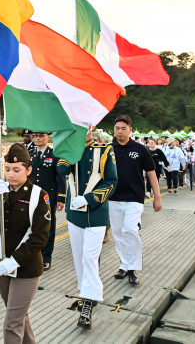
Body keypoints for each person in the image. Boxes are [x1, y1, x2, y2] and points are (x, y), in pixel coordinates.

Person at [0, 143, 50, 343]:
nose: (10, 174)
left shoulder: (39, 195)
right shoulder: (1, 190)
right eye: (7, 169)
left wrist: (15, 260)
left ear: (29, 170)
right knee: (18, 315)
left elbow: (40, 236)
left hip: (26, 267)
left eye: (16, 170)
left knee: (12, 322)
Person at [57, 126, 118, 329]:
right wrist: (70, 147)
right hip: (75, 213)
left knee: (90, 257)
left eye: (86, 126)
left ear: (92, 127)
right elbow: (61, 169)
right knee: (79, 259)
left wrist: (90, 199)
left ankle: (88, 304)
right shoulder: (70, 148)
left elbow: (111, 181)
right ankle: (86, 295)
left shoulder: (104, 150)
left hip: (96, 212)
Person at [109, 115, 162, 286]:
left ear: (130, 129)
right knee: (118, 233)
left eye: (123, 128)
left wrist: (157, 197)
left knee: (130, 230)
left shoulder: (140, 149)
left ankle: (132, 269)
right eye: (117, 128)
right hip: (113, 198)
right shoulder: (108, 149)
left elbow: (151, 174)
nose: (120, 131)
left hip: (134, 198)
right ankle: (124, 264)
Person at [27, 132, 66, 271]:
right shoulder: (29, 153)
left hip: (48, 197)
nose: (38, 138)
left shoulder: (55, 154)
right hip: (31, 196)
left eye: (41, 135)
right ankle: (33, 254)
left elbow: (60, 178)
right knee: (32, 227)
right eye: (36, 135)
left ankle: (46, 257)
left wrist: (61, 198)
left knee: (48, 228)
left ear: (48, 137)